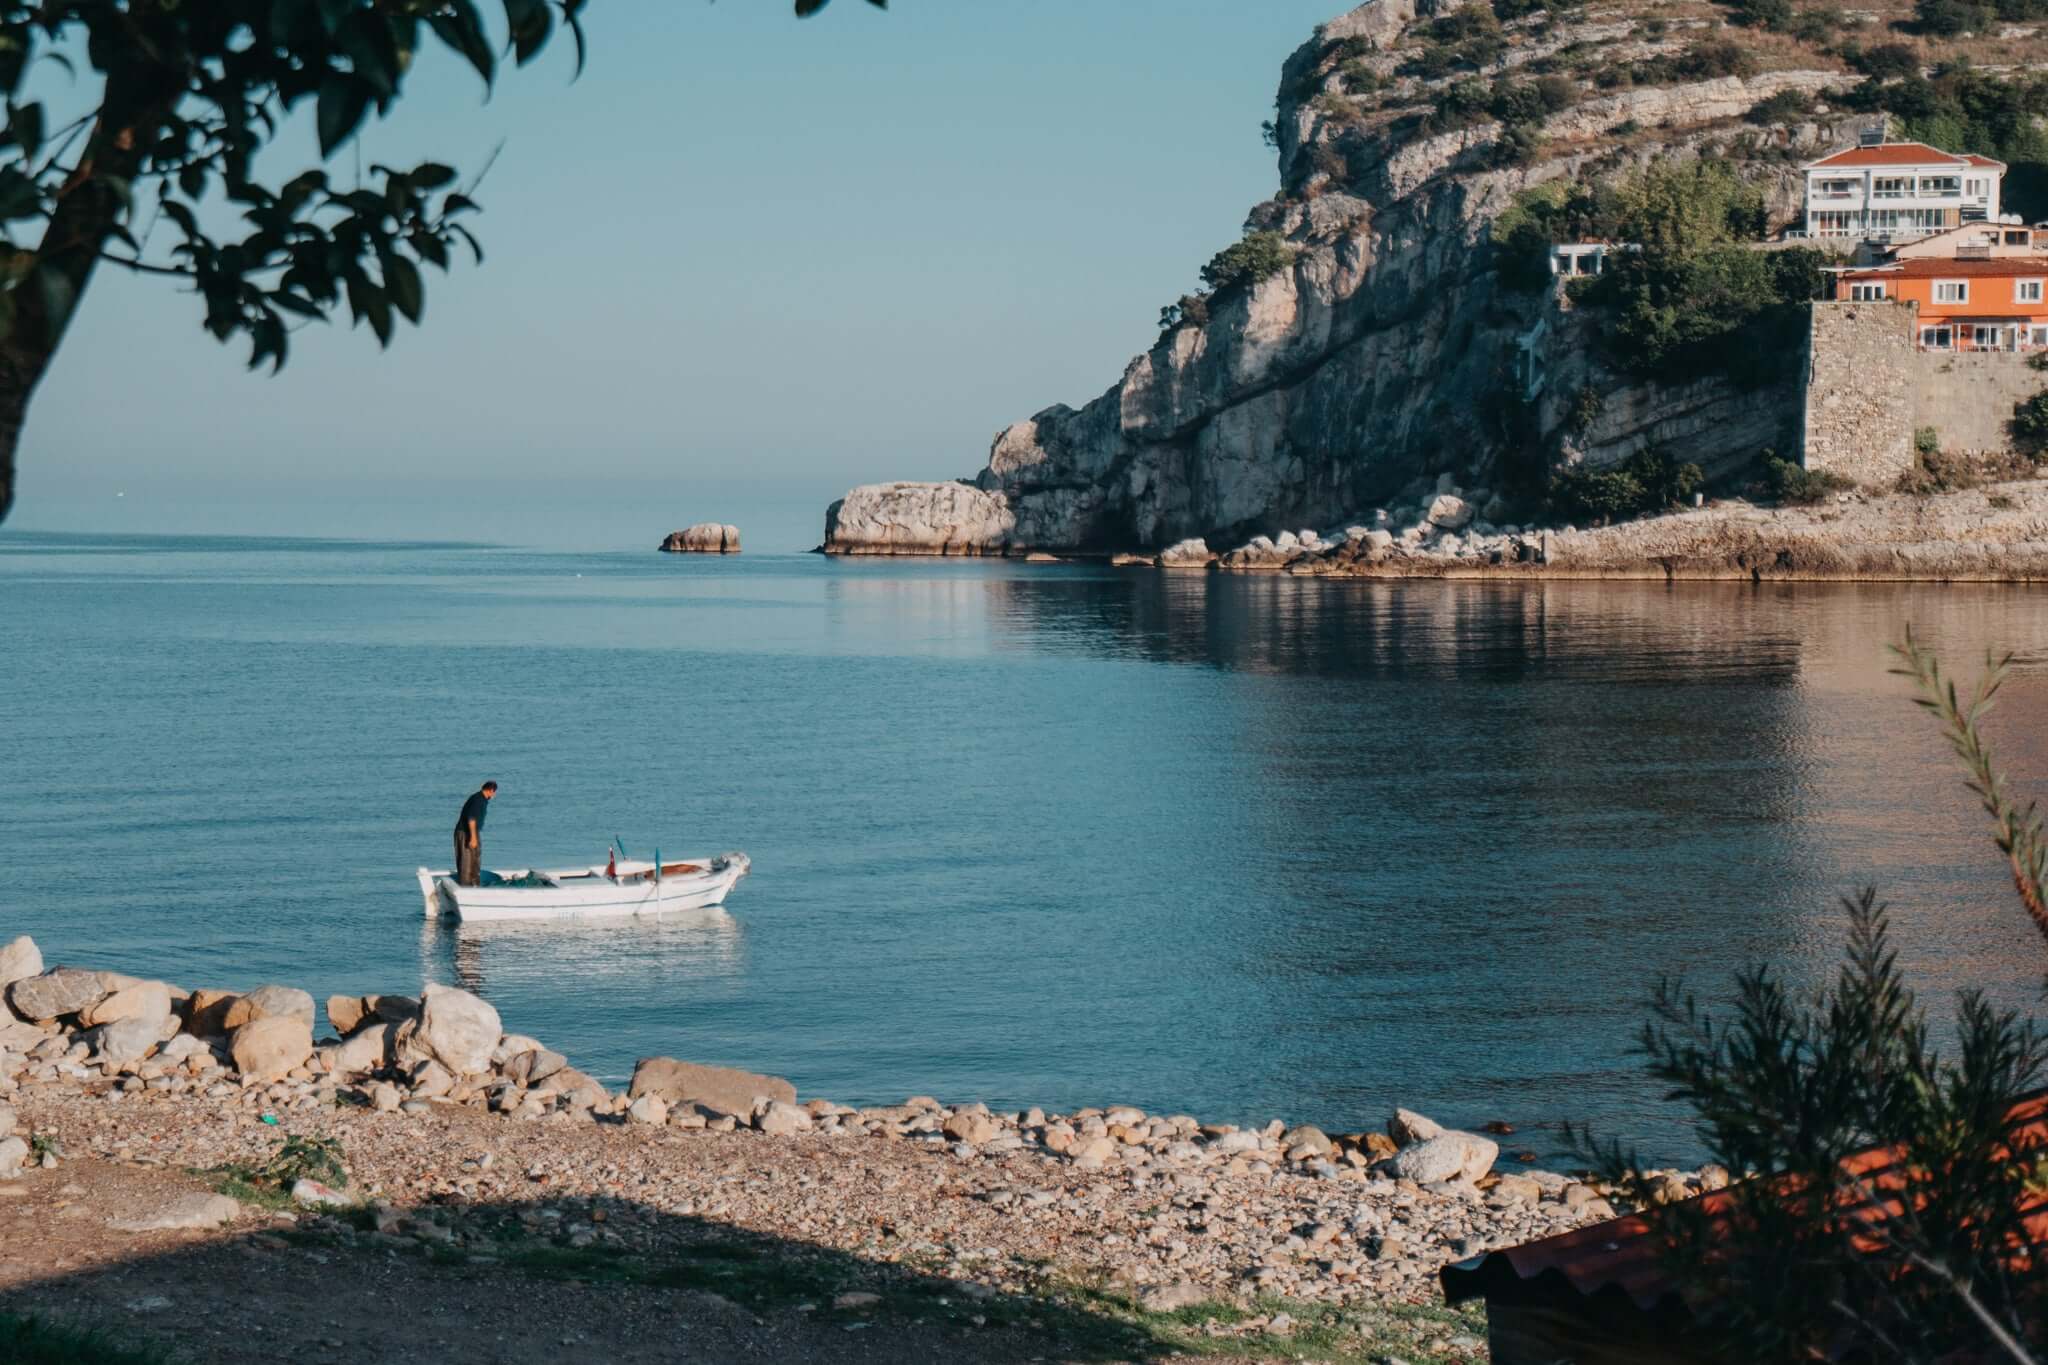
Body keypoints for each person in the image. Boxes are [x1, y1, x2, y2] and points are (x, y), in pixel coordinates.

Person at [453, 781, 497, 887]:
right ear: (491, 791)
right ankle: (465, 887)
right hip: (465, 832)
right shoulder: (478, 800)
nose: (494, 795)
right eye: (494, 793)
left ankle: (474, 885)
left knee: (475, 860)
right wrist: (473, 837)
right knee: (466, 862)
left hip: (472, 831)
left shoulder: (481, 799)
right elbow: (471, 819)